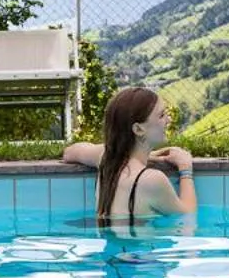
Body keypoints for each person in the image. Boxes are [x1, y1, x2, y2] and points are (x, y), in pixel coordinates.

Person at [61, 86, 198, 225]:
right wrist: (186, 169)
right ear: (138, 129)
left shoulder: (105, 158)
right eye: (161, 115)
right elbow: (187, 218)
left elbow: (69, 152)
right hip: (139, 246)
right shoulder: (152, 180)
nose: (168, 120)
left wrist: (148, 155)